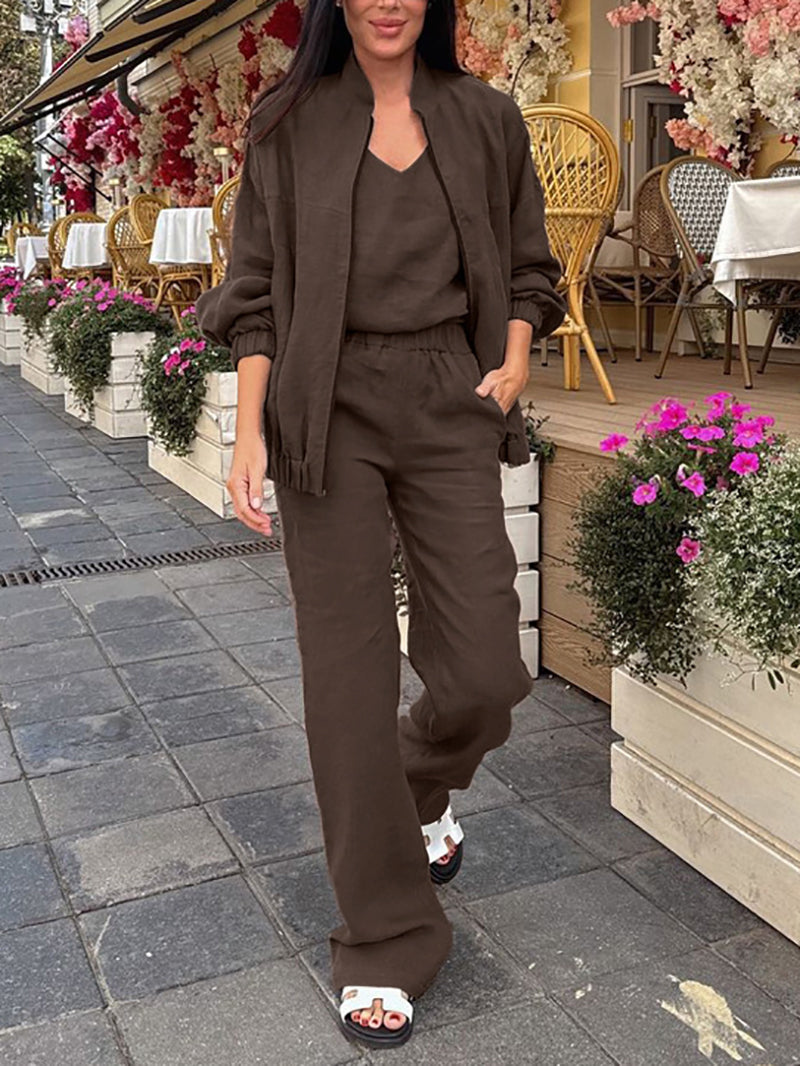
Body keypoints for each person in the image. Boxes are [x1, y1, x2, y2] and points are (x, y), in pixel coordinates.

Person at [195, 0, 565, 1049]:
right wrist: (248, 432)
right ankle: (385, 937)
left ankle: (416, 787)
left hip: (450, 395)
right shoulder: (287, 121)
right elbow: (254, 292)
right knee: (347, 683)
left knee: (486, 671)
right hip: (325, 407)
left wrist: (516, 353)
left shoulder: (486, 117)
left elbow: (529, 264)